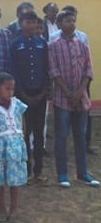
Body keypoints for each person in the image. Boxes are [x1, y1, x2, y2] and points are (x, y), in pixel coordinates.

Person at [48, 10, 99, 188]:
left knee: (80, 135)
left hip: (81, 98)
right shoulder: (53, 45)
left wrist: (79, 92)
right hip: (63, 100)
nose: (72, 23)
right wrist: (69, 93)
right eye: (68, 20)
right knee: (61, 136)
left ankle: (83, 173)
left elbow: (88, 70)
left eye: (73, 20)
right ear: (60, 23)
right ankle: (62, 174)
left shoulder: (82, 44)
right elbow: (54, 72)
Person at [9, 11, 50, 186]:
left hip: (40, 95)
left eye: (34, 22)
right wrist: (22, 94)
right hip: (22, 95)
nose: (31, 25)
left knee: (39, 134)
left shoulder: (42, 43)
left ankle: (38, 172)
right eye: (28, 22)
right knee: (24, 134)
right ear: (20, 23)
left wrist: (43, 93)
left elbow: (47, 69)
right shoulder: (15, 44)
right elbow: (13, 71)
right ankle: (25, 171)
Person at [0, 72, 28, 222]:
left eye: (12, 89)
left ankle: (14, 209)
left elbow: (22, 122)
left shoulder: (17, 104)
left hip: (16, 145)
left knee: (14, 179)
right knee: (0, 178)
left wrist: (21, 138)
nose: (10, 92)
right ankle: (1, 208)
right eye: (7, 88)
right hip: (0, 146)